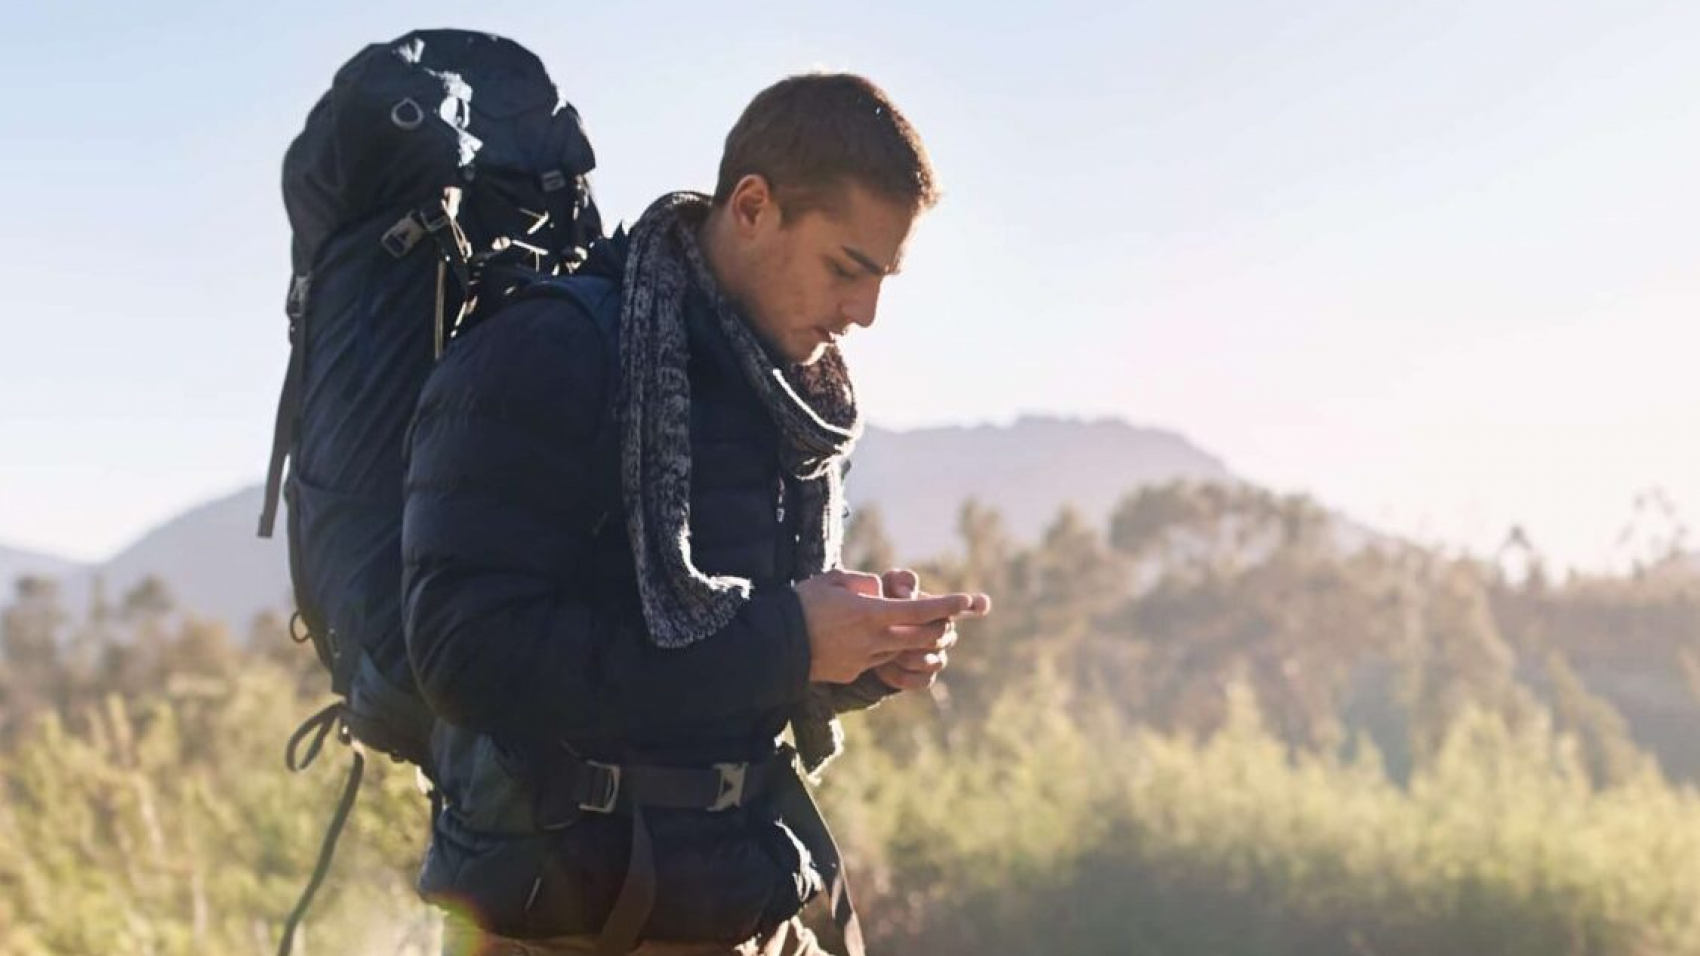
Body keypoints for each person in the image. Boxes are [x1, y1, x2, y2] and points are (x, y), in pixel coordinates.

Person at [401, 72, 991, 956]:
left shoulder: (783, 397)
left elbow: (717, 667)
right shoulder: (547, 351)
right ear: (752, 206)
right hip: (570, 924)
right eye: (847, 268)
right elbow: (464, 655)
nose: (865, 314)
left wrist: (856, 653)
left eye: (882, 280)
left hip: (745, 905)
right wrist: (792, 640)